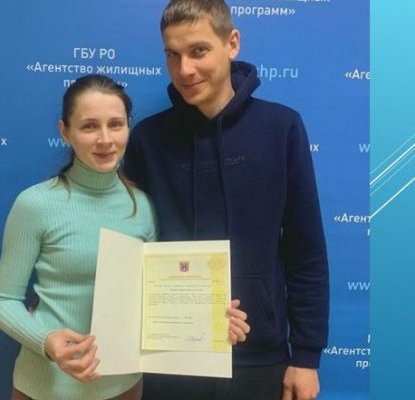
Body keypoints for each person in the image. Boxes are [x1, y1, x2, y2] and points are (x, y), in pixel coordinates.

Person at [0, 74, 251, 400]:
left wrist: (211, 322)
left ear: (128, 127)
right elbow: (3, 301)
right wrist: (47, 342)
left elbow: (154, 300)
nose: (105, 139)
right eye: (89, 126)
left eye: (115, 124)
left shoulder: (143, 206)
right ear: (65, 132)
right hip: (46, 387)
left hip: (123, 387)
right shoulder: (36, 204)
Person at [122, 1, 330, 400]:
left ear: (232, 43)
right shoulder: (148, 139)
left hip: (259, 357)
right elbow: (132, 250)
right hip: (171, 355)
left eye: (198, 51)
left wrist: (306, 356)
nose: (185, 69)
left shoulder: (281, 128)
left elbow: (306, 252)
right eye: (172, 55)